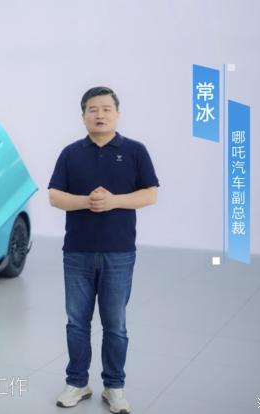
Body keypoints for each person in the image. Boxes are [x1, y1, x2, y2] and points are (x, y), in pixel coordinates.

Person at [48, 87, 159, 413]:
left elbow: (150, 194)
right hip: (77, 252)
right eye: (93, 109)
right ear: (83, 115)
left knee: (115, 325)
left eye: (107, 109)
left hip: (119, 252)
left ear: (117, 114)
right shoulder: (70, 153)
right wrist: (88, 201)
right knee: (76, 323)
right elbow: (55, 196)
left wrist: (113, 201)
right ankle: (77, 383)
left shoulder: (135, 151)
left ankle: (114, 387)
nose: (100, 115)